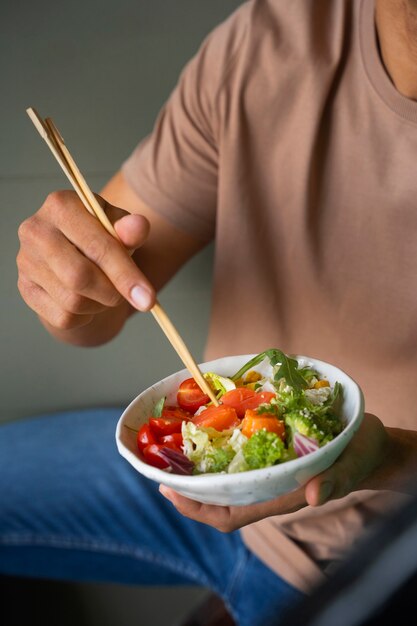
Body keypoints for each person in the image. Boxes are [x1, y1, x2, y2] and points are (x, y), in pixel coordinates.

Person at [2, 0, 417, 624]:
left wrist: (396, 461)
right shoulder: (269, 39)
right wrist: (69, 284)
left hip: (374, 546)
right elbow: (100, 312)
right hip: (192, 478)